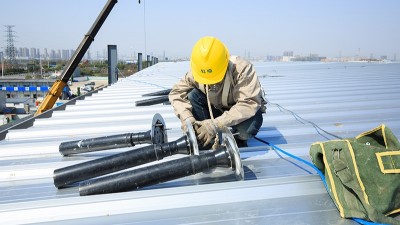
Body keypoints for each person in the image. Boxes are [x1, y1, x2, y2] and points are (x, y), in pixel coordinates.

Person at [168, 36, 266, 149]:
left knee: (246, 130)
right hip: (215, 108)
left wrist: (216, 124)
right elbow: (176, 93)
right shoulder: (198, 71)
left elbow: (249, 103)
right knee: (192, 95)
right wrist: (187, 120)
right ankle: (205, 138)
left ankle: (236, 140)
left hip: (240, 112)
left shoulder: (242, 69)